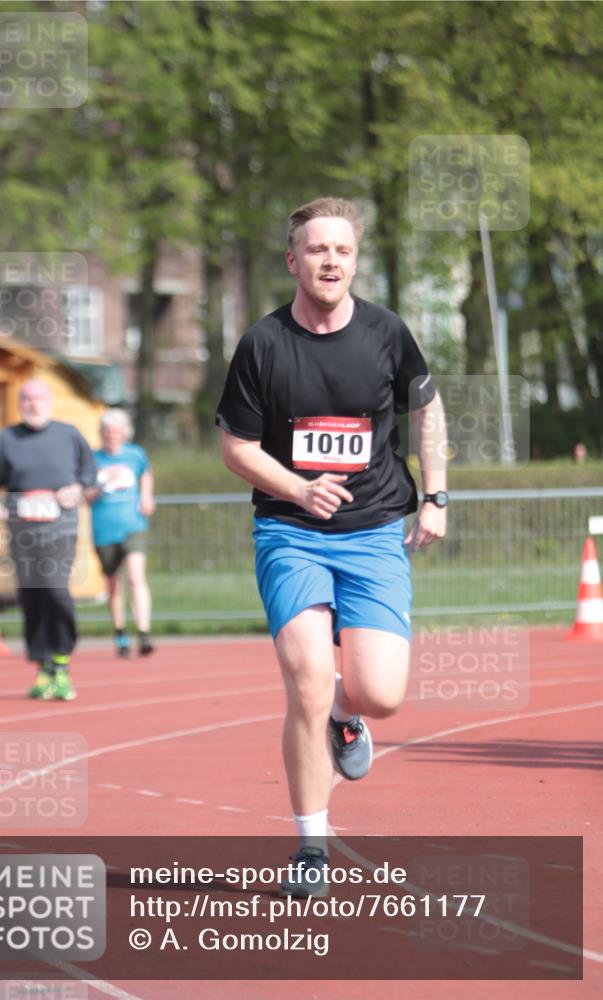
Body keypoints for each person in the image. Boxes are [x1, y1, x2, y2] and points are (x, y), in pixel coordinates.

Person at [216, 197, 448, 896]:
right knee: (309, 683)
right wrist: (296, 487)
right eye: (317, 249)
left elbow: (427, 409)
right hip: (290, 533)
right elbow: (235, 447)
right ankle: (311, 846)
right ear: (293, 261)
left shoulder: (386, 332)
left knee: (380, 695)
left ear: (354, 261)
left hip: (373, 531)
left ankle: (348, 718)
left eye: (342, 250)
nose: (330, 261)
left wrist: (436, 496)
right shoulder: (262, 343)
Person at [0, 379, 97, 700]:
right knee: (32, 598)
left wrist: (78, 489)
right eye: (26, 399)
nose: (33, 404)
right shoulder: (7, 439)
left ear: (50, 401)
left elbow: (90, 475)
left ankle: (62, 662)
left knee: (56, 592)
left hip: (60, 532)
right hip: (23, 535)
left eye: (38, 398)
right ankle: (43, 668)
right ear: (20, 404)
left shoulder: (69, 435)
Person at [89, 408, 156, 657]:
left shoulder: (135, 454)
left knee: (136, 577)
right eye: (107, 432)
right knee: (113, 583)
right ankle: (120, 632)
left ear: (124, 433)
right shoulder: (93, 459)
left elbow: (146, 474)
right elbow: (87, 496)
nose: (111, 436)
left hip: (133, 524)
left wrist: (147, 496)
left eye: (116, 432)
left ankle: (144, 632)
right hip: (104, 527)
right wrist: (102, 484)